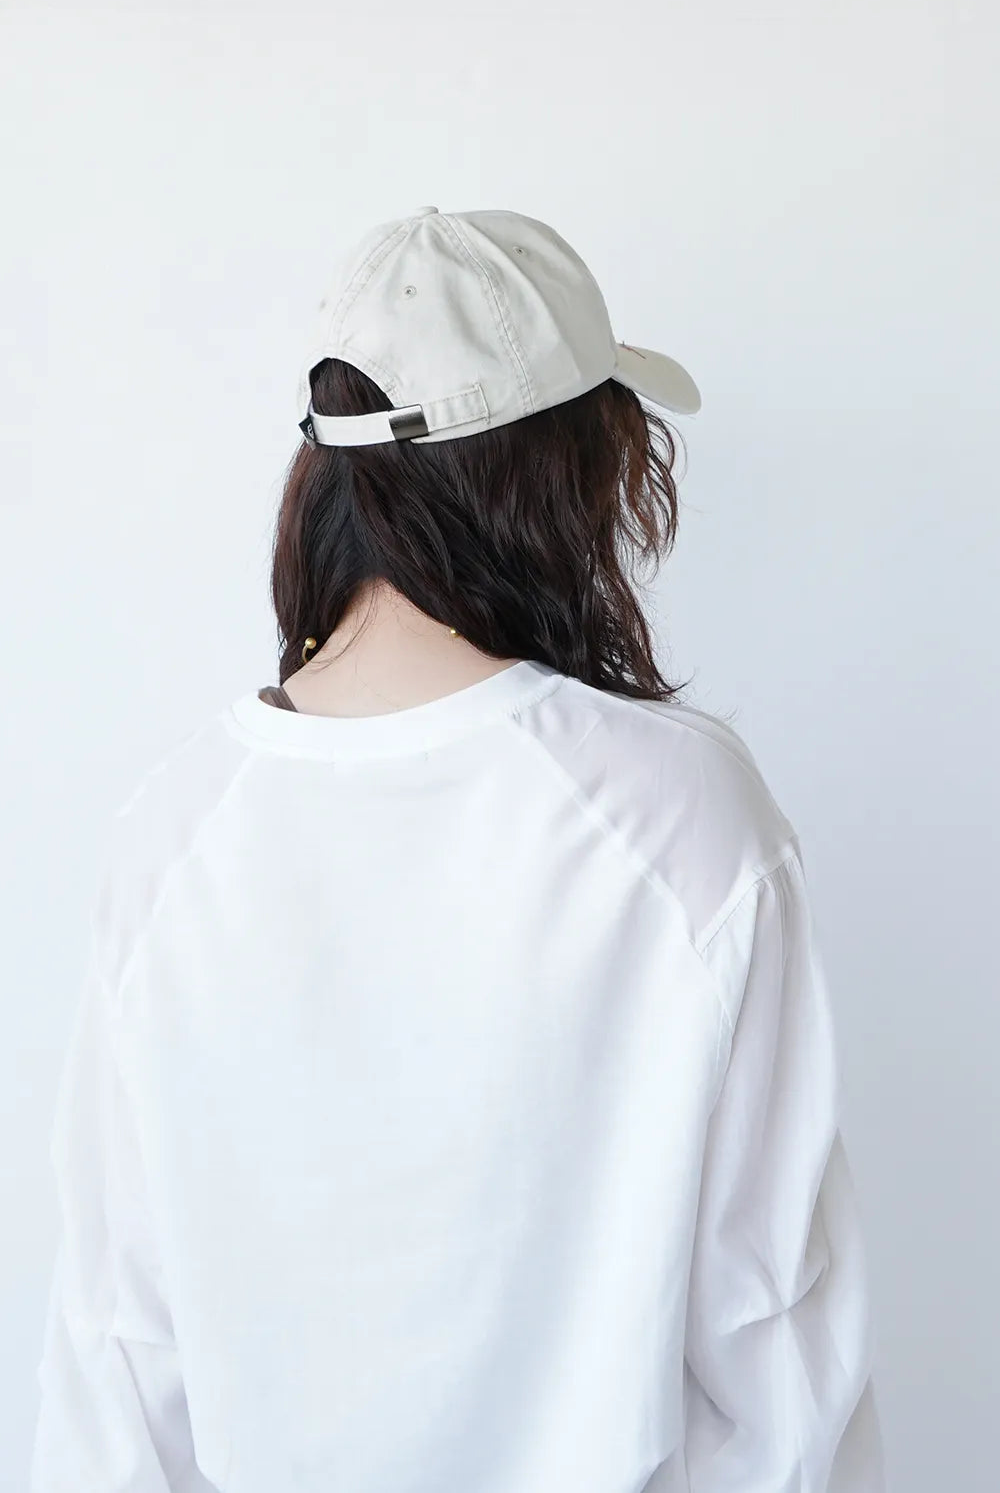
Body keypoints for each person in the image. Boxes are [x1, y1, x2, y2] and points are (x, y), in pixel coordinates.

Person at [30, 206, 886, 1492]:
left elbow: (117, 1369)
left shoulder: (172, 834)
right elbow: (774, 1359)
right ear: (556, 473)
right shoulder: (680, 821)